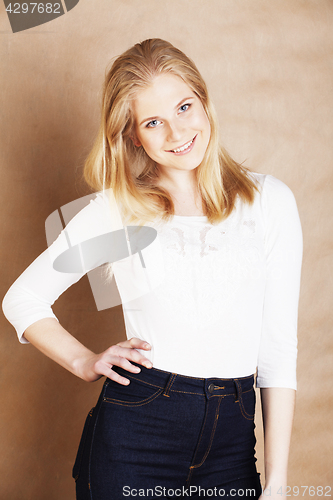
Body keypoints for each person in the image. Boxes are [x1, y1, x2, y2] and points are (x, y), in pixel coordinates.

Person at [2, 38, 303, 500]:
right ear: (132, 135)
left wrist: (278, 482)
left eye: (184, 107)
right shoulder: (117, 211)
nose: (177, 132)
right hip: (135, 438)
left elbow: (278, 351)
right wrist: (85, 362)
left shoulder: (268, 202)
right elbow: (22, 298)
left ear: (204, 102)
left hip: (233, 449)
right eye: (153, 122)